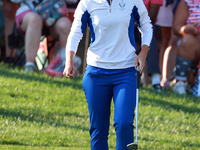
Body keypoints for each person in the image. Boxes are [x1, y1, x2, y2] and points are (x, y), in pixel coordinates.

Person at [63, 0, 153, 149]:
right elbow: (75, 32)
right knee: (98, 129)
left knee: (124, 123)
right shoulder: (87, 2)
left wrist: (143, 53)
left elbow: (147, 26)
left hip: (126, 71)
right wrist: (69, 61)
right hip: (96, 73)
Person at [11, 0, 72, 73]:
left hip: (54, 13)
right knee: (34, 19)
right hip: (29, 11)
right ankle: (29, 66)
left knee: (65, 24)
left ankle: (63, 67)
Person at [172, 0, 200, 94]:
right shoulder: (187, 2)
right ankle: (180, 83)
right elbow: (177, 27)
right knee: (188, 40)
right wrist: (186, 29)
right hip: (193, 43)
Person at [156, 0, 180, 89]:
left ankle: (172, 79)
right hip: (167, 5)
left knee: (174, 40)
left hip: (185, 4)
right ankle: (163, 78)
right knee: (166, 40)